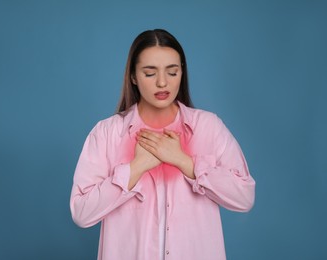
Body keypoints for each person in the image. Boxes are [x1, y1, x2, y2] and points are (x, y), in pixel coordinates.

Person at [70, 29, 255, 260]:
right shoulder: (107, 133)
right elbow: (81, 212)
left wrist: (185, 162)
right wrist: (135, 168)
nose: (162, 82)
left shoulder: (208, 127)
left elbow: (244, 197)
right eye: (149, 73)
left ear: (182, 72)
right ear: (133, 76)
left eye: (172, 72)